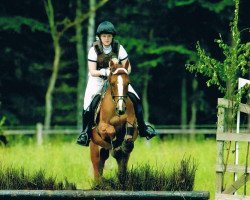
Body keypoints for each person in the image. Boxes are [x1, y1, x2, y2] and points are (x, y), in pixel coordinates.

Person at [77, 21, 156, 146]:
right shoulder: (94, 50)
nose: (107, 39)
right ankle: (85, 133)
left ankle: (143, 127)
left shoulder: (119, 48)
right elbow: (92, 71)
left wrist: (120, 72)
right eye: (104, 36)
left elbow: (128, 68)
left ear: (112, 36)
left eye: (109, 36)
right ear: (99, 37)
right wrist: (106, 71)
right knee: (88, 104)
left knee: (136, 98)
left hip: (117, 79)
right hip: (98, 79)